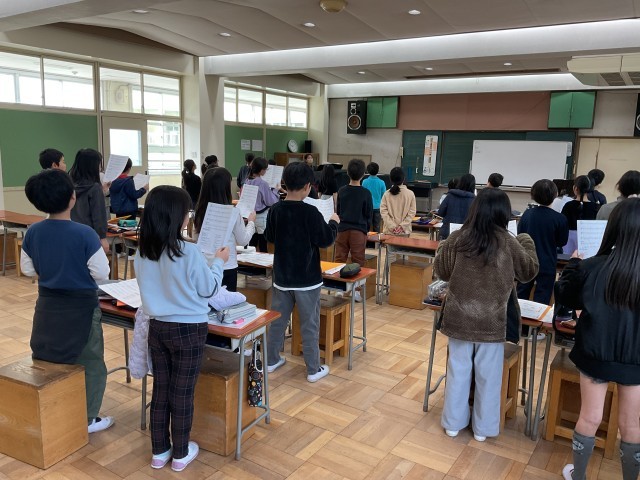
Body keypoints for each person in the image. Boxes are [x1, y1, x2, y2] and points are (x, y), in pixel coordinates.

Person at [135, 186, 228, 472]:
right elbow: (209, 289)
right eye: (186, 212)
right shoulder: (188, 251)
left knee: (161, 389)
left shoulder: (143, 251)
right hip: (189, 329)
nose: (188, 217)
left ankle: (159, 451)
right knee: (182, 393)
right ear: (176, 217)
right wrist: (219, 263)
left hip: (157, 327)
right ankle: (181, 453)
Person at [434, 188, 538, 442]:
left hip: (459, 318)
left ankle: (453, 424)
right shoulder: (509, 241)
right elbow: (528, 271)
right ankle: (483, 429)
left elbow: (442, 271)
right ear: (504, 213)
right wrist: (526, 240)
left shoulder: (458, 238)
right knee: (489, 377)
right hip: (492, 321)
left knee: (458, 371)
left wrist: (445, 245)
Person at [21, 169, 113, 434]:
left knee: (49, 358)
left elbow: (27, 269)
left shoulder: (33, 232)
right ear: (73, 198)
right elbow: (102, 273)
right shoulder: (84, 234)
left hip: (47, 307)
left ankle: (55, 408)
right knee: (91, 362)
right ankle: (88, 418)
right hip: (81, 308)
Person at [556, 198, 640, 480]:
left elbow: (566, 297)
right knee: (632, 424)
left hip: (594, 353)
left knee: (590, 416)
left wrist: (573, 264)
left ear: (613, 228)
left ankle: (578, 475)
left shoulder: (591, 267)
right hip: (636, 359)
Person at [264, 162, 340, 383]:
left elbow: (269, 236)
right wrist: (333, 223)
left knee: (277, 322)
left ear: (284, 183)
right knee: (309, 324)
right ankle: (313, 369)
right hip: (307, 280)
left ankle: (271, 360)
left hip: (282, 278)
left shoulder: (275, 210)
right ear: (308, 186)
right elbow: (325, 239)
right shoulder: (311, 212)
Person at [193, 167, 256, 291]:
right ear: (225, 188)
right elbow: (243, 240)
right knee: (227, 301)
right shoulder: (233, 212)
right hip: (227, 265)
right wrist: (251, 222)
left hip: (203, 265)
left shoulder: (199, 211)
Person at [517, 179, 568, 304]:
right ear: (556, 194)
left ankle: (520, 317)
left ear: (533, 195)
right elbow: (562, 242)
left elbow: (520, 235)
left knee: (521, 295)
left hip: (527, 261)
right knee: (542, 298)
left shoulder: (527, 214)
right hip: (547, 262)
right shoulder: (560, 218)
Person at [335, 158, 373, 302]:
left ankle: (339, 289)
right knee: (358, 261)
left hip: (342, 230)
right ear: (363, 174)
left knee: (339, 259)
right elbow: (368, 214)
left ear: (347, 173)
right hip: (358, 230)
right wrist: (366, 229)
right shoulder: (366, 193)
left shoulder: (342, 191)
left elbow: (338, 210)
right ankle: (356, 292)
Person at [69, 148, 109, 254]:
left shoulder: (69, 184)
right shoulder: (94, 187)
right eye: (99, 164)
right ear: (92, 166)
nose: (100, 168)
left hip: (71, 232)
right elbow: (98, 215)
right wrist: (103, 237)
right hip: (90, 234)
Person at [244, 156, 280, 252]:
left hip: (250, 214)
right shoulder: (262, 183)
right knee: (263, 243)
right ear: (261, 171)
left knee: (252, 242)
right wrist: (275, 190)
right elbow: (270, 201)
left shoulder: (247, 181)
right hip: (261, 216)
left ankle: (250, 261)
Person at [561, 175, 600, 254]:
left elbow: (562, 225)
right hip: (588, 245)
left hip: (569, 244)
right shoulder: (595, 207)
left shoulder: (568, 205)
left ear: (575, 188)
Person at [380, 166, 416, 235]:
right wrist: (402, 226)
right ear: (403, 178)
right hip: (404, 231)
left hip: (389, 231)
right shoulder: (410, 194)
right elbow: (412, 213)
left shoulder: (386, 194)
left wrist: (392, 226)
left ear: (391, 179)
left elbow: (383, 212)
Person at [438, 173, 476, 239]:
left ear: (460, 183)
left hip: (447, 231)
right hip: (466, 234)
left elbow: (441, 212)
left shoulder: (450, 195)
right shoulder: (475, 200)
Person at [362, 162, 386, 232]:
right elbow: (384, 195)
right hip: (378, 207)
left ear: (368, 171)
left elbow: (363, 195)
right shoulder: (381, 182)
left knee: (367, 226)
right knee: (377, 227)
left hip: (367, 207)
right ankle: (377, 239)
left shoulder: (364, 182)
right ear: (378, 171)